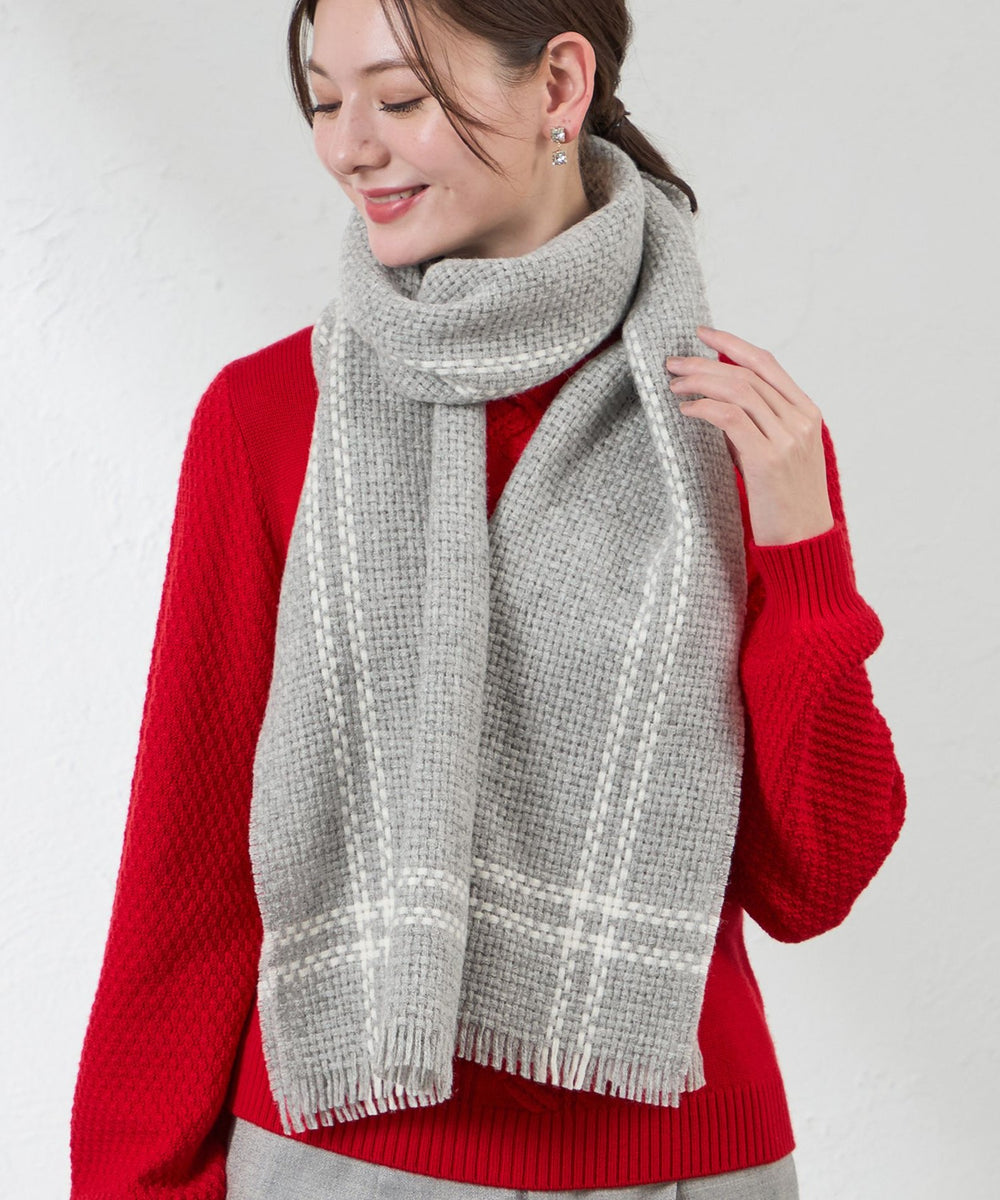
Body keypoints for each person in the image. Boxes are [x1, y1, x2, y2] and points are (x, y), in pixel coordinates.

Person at [68, 0, 907, 1197]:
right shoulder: (270, 419)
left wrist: (802, 554)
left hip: (682, 1163)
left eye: (399, 97)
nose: (349, 145)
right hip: (346, 1157)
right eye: (325, 100)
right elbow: (189, 865)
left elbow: (809, 882)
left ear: (560, 85)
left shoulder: (732, 430)